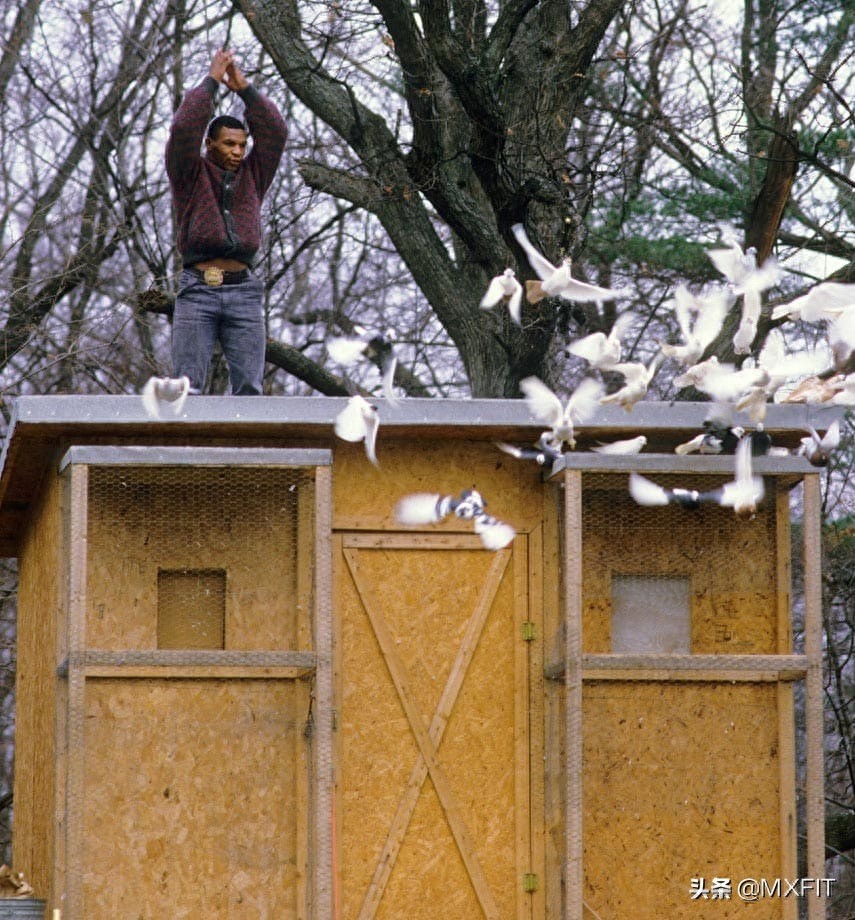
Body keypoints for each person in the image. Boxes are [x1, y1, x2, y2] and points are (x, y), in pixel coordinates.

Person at [165, 48, 287, 395]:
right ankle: (186, 450)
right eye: (229, 144)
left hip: (244, 292)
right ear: (210, 145)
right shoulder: (189, 173)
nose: (237, 151)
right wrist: (212, 82)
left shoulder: (254, 174)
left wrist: (244, 88)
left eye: (242, 145)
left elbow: (276, 131)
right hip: (197, 289)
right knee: (187, 388)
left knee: (250, 387)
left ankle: (247, 451)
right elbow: (185, 127)